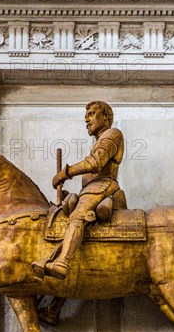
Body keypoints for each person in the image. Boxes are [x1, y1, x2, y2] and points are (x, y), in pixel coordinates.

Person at [36, 101, 125, 280]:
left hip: (103, 186)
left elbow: (95, 163)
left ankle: (62, 264)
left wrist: (65, 173)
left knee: (78, 216)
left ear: (106, 117)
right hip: (92, 189)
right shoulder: (101, 139)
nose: (87, 120)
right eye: (86, 116)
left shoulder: (112, 134)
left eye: (92, 114)